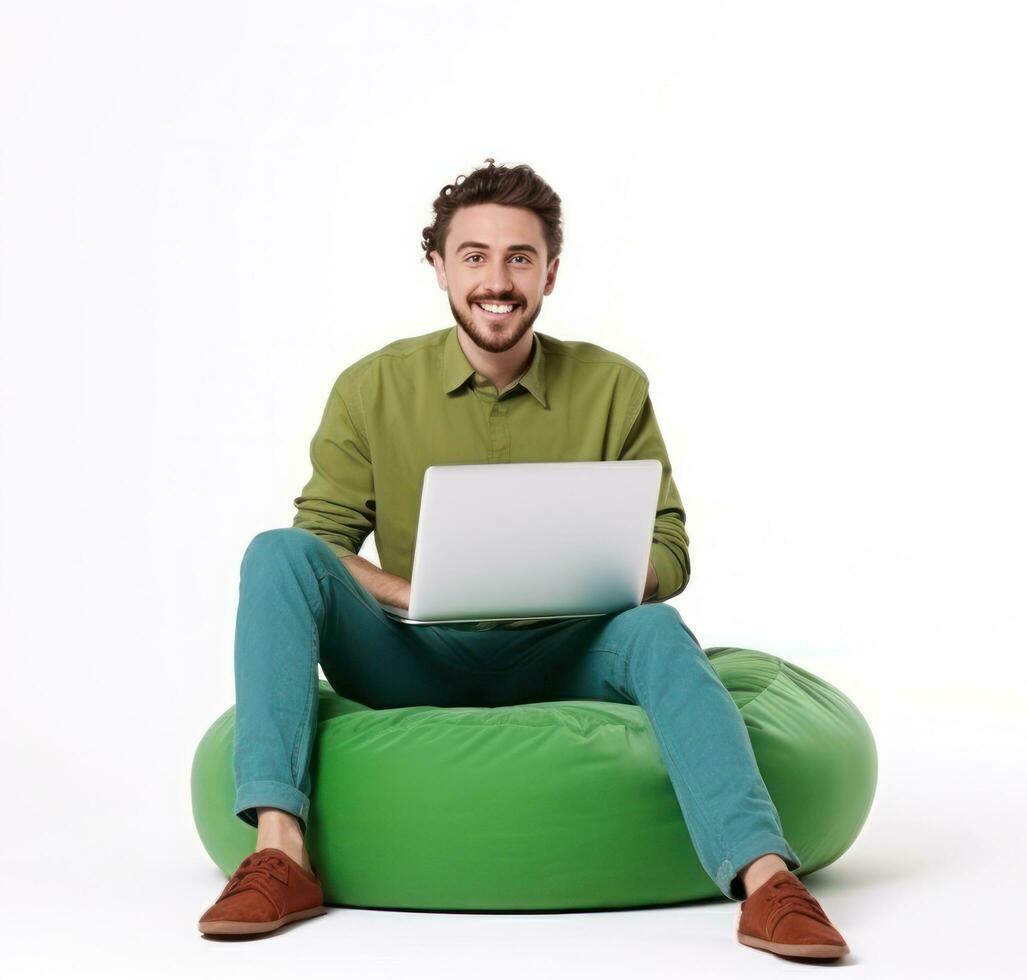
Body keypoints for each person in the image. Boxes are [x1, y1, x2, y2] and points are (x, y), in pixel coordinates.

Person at [197, 159, 850, 959]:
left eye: (519, 258)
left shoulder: (613, 386)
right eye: (473, 256)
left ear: (550, 272)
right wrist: (408, 590)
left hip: (564, 648)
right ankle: (279, 855)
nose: (496, 280)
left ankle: (764, 879)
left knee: (656, 630)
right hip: (415, 654)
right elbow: (321, 541)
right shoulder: (371, 387)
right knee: (276, 553)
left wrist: (605, 575)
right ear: (438, 265)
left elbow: (670, 546)